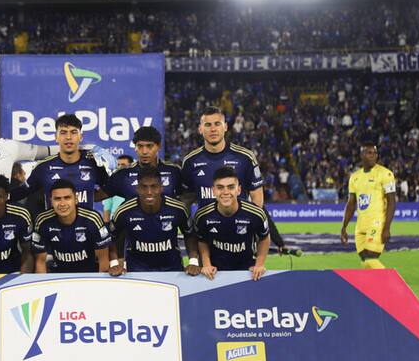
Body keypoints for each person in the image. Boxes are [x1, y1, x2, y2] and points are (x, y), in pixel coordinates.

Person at [181, 106, 288, 253]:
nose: (213, 129)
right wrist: (189, 230)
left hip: (241, 240)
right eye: (208, 125)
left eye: (217, 124)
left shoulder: (245, 157)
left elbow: (257, 201)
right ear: (200, 129)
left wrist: (256, 231)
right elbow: (186, 200)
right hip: (207, 241)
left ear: (225, 127)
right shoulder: (190, 161)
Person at [10, 114, 109, 210]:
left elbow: (112, 186)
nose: (68, 137)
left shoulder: (93, 163)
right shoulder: (44, 167)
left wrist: (91, 197)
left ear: (81, 137)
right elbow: (20, 193)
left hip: (87, 221)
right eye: (63, 132)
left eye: (73, 132)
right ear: (56, 137)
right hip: (53, 222)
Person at [108, 167, 193, 275]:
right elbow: (111, 237)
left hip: (172, 270)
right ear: (137, 188)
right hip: (137, 271)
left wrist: (193, 261)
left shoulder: (178, 209)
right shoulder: (124, 211)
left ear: (161, 188)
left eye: (154, 187)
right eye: (144, 187)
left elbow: (190, 234)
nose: (149, 192)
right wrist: (115, 263)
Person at [192, 166, 271, 281]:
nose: (225, 192)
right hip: (215, 274)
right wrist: (207, 264)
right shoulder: (202, 215)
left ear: (239, 190)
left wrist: (259, 264)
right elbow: (202, 240)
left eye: (231, 187)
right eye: (220, 187)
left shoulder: (256, 213)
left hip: (247, 273)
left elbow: (264, 238)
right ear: (213, 190)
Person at [32, 179, 111, 273]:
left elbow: (103, 260)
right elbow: (40, 262)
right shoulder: (42, 221)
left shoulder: (92, 219)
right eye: (57, 199)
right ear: (51, 201)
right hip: (58, 276)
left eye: (67, 198)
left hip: (89, 275)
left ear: (76, 199)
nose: (62, 204)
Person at [340, 143, 397, 269]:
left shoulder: (385, 174)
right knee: (365, 259)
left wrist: (387, 227)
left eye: (375, 153)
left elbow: (392, 201)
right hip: (361, 225)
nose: (373, 155)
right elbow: (351, 204)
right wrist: (344, 227)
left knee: (371, 257)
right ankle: (378, 282)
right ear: (362, 155)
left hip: (377, 223)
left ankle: (391, 280)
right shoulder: (355, 177)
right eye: (369, 153)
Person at [99, 126, 182, 200]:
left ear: (159, 146)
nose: (144, 151)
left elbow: (186, 196)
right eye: (140, 146)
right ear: (135, 147)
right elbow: (97, 196)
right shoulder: (123, 174)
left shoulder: (174, 171)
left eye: (149, 146)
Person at [102, 155, 134, 225]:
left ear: (131, 166)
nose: (120, 167)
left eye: (123, 165)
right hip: (115, 221)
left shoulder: (138, 183)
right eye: (118, 165)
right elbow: (107, 208)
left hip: (133, 220)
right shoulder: (112, 183)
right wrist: (107, 226)